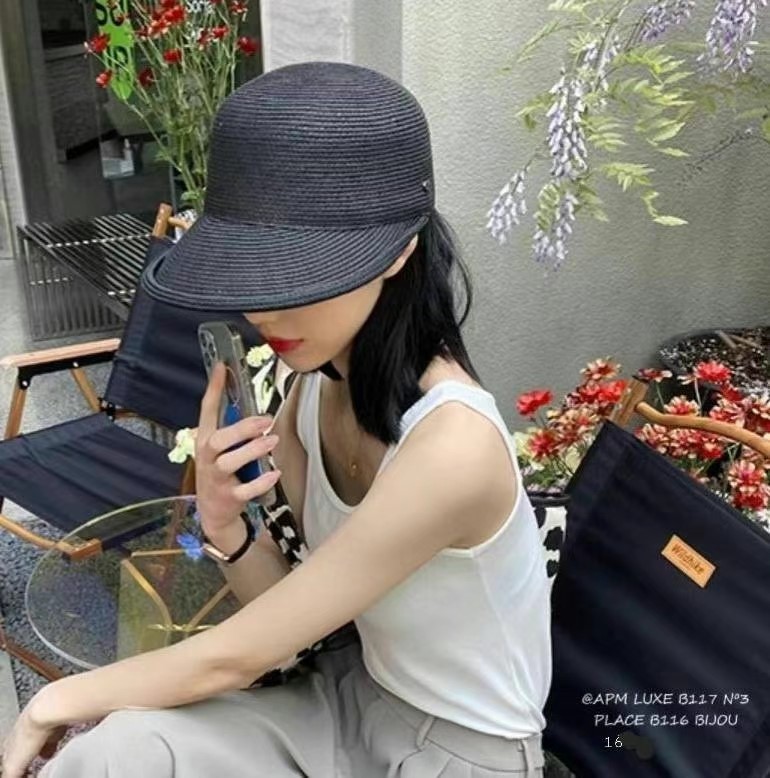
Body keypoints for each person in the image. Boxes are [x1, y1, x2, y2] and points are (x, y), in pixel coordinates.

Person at [1, 61, 551, 778]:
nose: (263, 311)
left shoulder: (454, 447)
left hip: (458, 751)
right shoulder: (314, 386)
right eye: (251, 274)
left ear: (400, 252)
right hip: (345, 696)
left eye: (299, 276)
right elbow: (287, 624)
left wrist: (51, 701)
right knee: (120, 754)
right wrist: (224, 525)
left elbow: (241, 655)